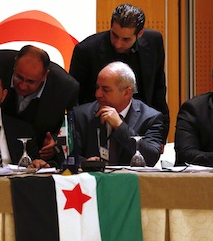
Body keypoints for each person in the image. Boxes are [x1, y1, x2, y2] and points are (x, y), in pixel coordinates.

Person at [69, 3, 169, 144]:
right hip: (98, 127)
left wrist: (161, 136)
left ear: (140, 34)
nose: (118, 44)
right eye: (114, 35)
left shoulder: (154, 42)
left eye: (126, 39)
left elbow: (158, 90)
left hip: (142, 125)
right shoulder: (86, 50)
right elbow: (76, 99)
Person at [0, 45, 79, 163]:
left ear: (45, 76)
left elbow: (71, 128)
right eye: (18, 77)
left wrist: (56, 141)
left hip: (35, 155)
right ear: (14, 64)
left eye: (30, 81)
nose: (22, 86)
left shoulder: (66, 89)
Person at [73, 61, 163, 166]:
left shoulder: (150, 118)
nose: (98, 94)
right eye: (97, 87)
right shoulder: (81, 115)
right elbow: (68, 156)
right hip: (93, 180)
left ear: (126, 93)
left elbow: (151, 158)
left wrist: (120, 126)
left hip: (130, 181)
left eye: (105, 90)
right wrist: (84, 163)